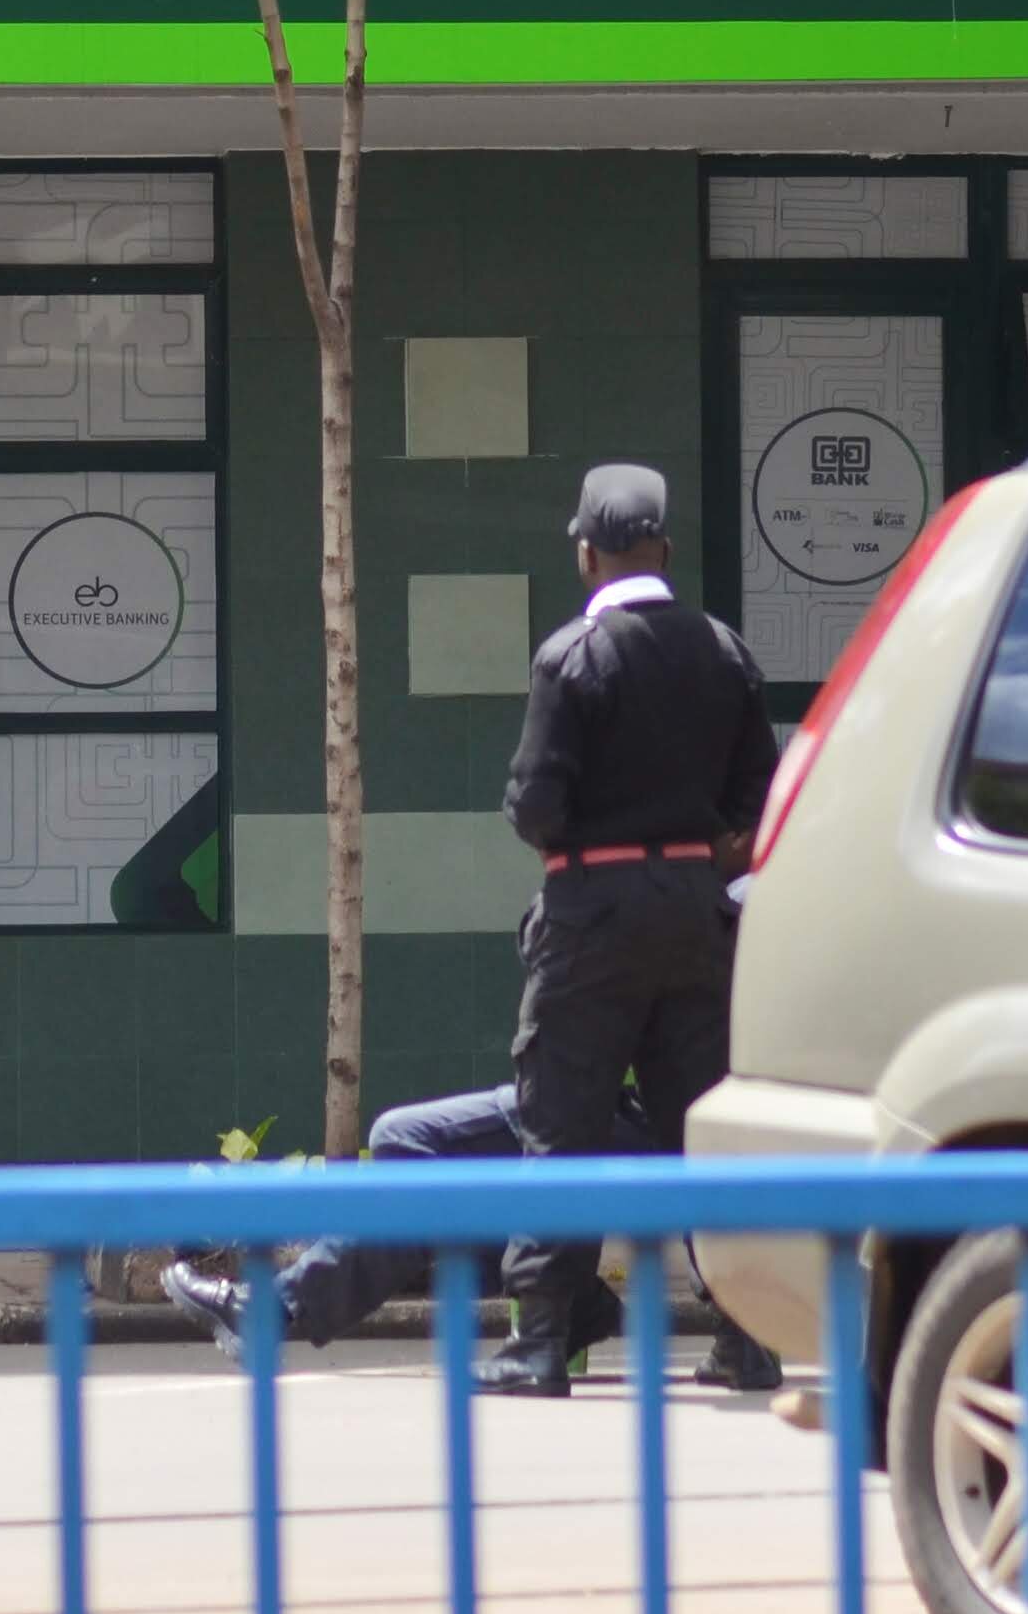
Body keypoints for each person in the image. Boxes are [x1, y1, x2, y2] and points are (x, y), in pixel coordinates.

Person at [484, 461, 777, 1397]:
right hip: (697, 917)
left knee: (558, 1123)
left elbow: (535, 805)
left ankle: (539, 1344)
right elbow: (754, 794)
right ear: (667, 548)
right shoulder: (726, 651)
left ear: (585, 553)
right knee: (706, 1129)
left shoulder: (571, 656)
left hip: (589, 919)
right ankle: (748, 1338)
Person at [161, 1077, 781, 1390]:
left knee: (407, 1141)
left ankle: (276, 1308)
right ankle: (579, 1311)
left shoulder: (642, 886)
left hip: (617, 1117)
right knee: (439, 1171)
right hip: (666, 1124)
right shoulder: (739, 901)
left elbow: (585, 1040)